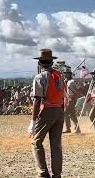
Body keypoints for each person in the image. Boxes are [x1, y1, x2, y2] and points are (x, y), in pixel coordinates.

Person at [28, 49, 65, 178]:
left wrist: (33, 121)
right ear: (51, 61)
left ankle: (43, 173)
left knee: (36, 142)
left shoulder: (40, 77)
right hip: (59, 110)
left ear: (39, 63)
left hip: (47, 110)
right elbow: (63, 96)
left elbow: (37, 99)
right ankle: (57, 174)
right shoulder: (59, 75)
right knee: (56, 145)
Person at [63, 68, 81, 134]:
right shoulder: (65, 81)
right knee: (72, 114)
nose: (65, 74)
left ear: (70, 74)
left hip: (72, 98)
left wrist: (74, 96)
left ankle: (68, 128)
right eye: (65, 73)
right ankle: (77, 128)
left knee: (66, 112)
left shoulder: (73, 81)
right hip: (66, 98)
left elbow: (79, 89)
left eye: (67, 73)